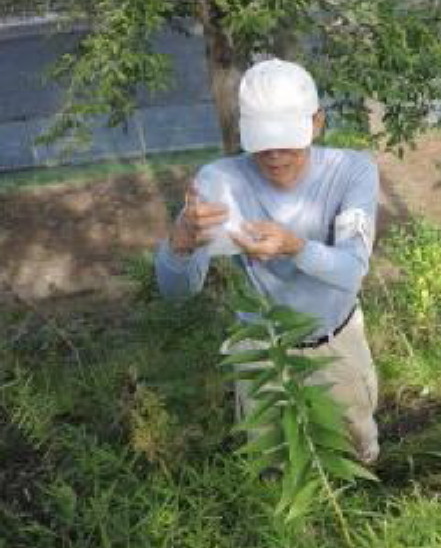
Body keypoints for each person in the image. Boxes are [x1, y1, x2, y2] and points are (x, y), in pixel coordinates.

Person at [154, 58, 380, 463]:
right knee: (272, 458)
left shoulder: (351, 170)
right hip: (263, 351)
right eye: (261, 140)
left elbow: (352, 271)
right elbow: (177, 291)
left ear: (316, 123)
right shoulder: (220, 181)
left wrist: (296, 247)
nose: (274, 154)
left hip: (336, 339)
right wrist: (182, 242)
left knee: (352, 449)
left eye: (287, 139)